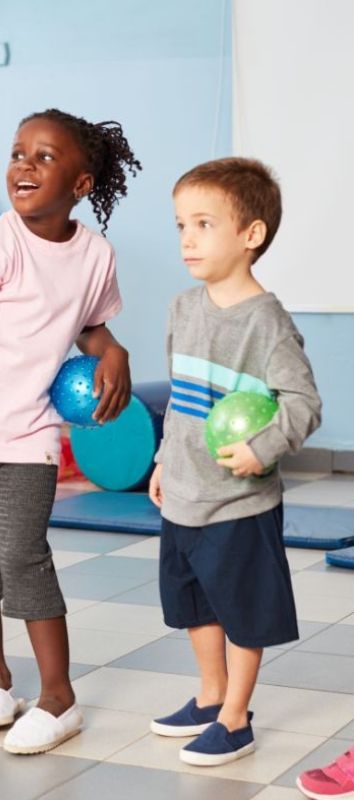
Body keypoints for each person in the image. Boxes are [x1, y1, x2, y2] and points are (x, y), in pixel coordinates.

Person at [0, 108, 141, 754]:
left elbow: (88, 325)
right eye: (19, 153)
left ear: (80, 184)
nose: (24, 166)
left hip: (31, 432)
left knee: (23, 556)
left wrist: (114, 350)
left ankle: (58, 697)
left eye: (45, 157)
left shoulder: (94, 255)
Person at [148, 157, 321, 766]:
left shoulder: (267, 324)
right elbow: (180, 400)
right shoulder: (181, 308)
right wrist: (164, 460)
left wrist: (260, 449)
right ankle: (210, 695)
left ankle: (236, 718)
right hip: (185, 492)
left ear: (251, 234)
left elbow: (303, 404)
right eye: (181, 225)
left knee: (243, 609)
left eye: (204, 224)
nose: (187, 239)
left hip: (239, 502)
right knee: (194, 601)